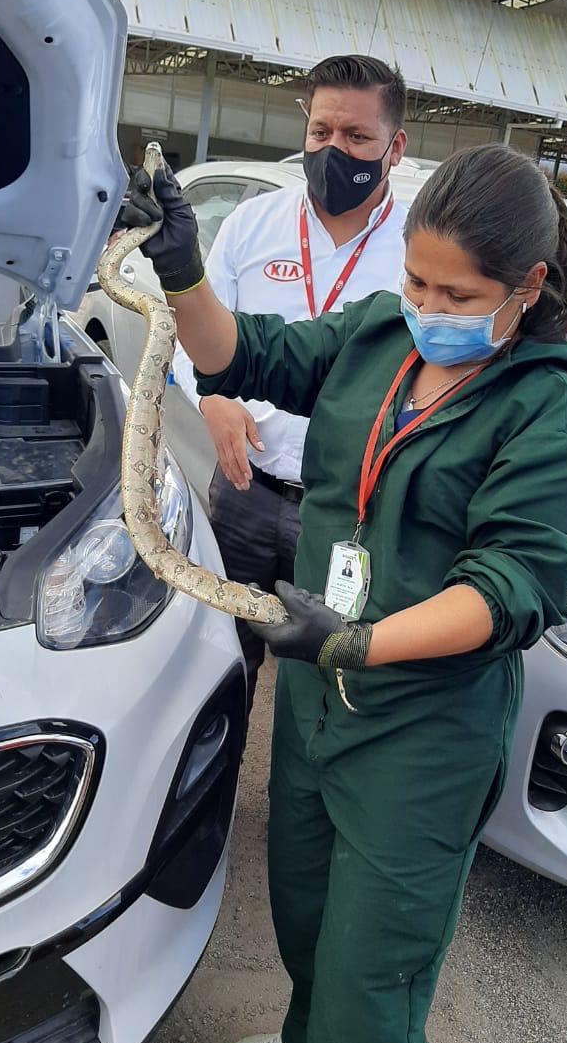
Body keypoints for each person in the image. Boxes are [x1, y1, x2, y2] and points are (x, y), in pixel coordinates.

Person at [119, 143, 567, 1043]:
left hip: (421, 728)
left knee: (370, 980)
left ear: (529, 286)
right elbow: (239, 354)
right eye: (417, 278)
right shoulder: (384, 335)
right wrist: (182, 268)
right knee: (302, 904)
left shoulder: (546, 419)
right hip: (316, 695)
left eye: (459, 293)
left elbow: (508, 587)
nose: (429, 305)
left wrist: (355, 642)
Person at [172, 54, 409, 709]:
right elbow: (195, 335)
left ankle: (300, 805)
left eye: (357, 137)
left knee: (326, 676)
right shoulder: (253, 225)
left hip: (347, 513)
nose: (335, 150)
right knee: (223, 661)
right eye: (321, 132)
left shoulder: (420, 246)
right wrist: (213, 399)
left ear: (395, 147)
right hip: (246, 493)